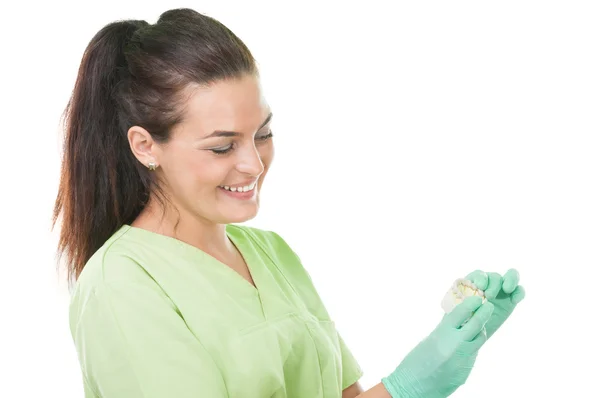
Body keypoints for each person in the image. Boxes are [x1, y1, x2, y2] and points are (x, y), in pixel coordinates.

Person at [53, 8, 526, 398]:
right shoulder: (122, 287)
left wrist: (438, 360)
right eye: (222, 147)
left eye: (263, 135)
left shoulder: (270, 252)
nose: (253, 165)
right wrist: (406, 389)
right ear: (145, 146)